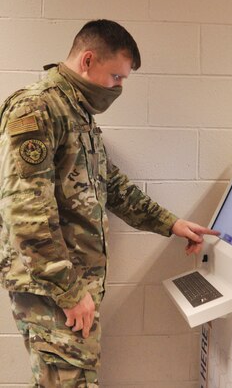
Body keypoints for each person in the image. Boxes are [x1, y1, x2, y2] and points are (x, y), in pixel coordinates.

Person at [0, 19, 219, 387]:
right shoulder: (37, 109)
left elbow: (112, 185)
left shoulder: (77, 112)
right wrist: (68, 291)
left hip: (71, 283)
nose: (118, 87)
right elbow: (25, 213)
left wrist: (171, 223)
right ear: (87, 60)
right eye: (116, 77)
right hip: (53, 286)